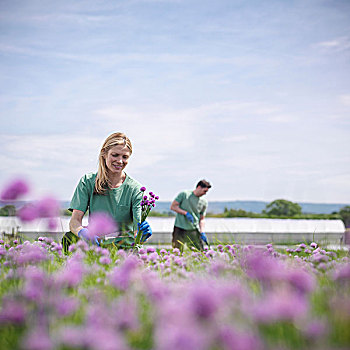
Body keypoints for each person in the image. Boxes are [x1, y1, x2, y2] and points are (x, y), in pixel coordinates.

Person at [62, 132, 152, 253]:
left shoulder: (135, 189)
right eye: (115, 155)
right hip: (96, 243)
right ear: (104, 153)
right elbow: (74, 221)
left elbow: (137, 232)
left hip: (123, 246)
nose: (120, 161)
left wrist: (142, 235)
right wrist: (83, 232)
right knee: (69, 238)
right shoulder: (87, 182)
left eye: (125, 157)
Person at [170, 179, 211, 251]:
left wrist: (202, 231)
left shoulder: (204, 202)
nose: (205, 193)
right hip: (179, 228)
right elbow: (173, 207)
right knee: (177, 251)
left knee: (199, 252)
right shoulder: (184, 195)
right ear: (199, 187)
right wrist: (185, 213)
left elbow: (202, 219)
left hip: (193, 229)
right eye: (204, 191)